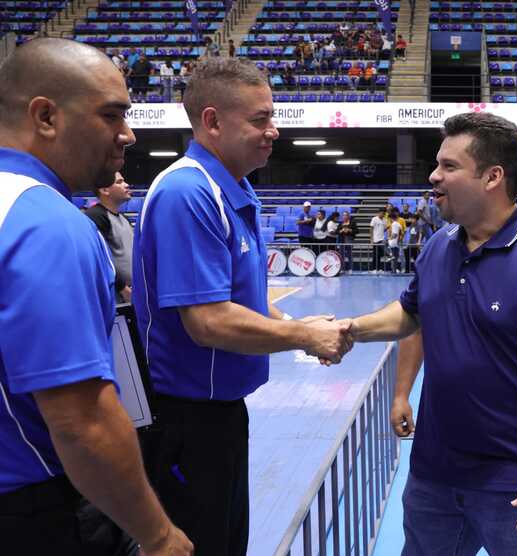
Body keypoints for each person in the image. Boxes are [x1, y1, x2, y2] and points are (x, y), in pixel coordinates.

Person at [348, 112, 517, 555]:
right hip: (434, 476)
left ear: (492, 177)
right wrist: (350, 329)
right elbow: (410, 313)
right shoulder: (438, 246)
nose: (434, 175)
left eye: (449, 166)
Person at [131, 57, 353, 556]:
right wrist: (303, 336)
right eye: (260, 119)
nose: (274, 130)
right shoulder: (188, 192)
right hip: (185, 420)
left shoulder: (234, 188)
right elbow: (208, 321)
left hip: (221, 413)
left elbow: (241, 300)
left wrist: (299, 326)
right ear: (212, 121)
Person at [0, 38, 192, 555]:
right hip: (36, 510)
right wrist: (158, 534)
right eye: (112, 115)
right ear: (45, 117)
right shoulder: (47, 225)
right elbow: (81, 422)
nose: (128, 134)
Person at [86, 171, 135, 303]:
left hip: (131, 291)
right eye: (119, 182)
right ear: (104, 190)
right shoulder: (95, 216)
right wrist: (122, 287)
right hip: (116, 294)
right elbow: (100, 257)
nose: (126, 185)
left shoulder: (124, 218)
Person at [370, 206, 386, 271]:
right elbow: (371, 229)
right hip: (375, 239)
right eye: (382, 213)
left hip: (382, 240)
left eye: (384, 213)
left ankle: (378, 268)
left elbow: (384, 229)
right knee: (375, 255)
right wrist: (371, 239)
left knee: (379, 255)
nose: (383, 214)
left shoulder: (384, 220)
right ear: (379, 212)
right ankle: (373, 269)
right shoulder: (374, 219)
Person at [387, 208, 402, 273]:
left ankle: (390, 255)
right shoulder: (398, 224)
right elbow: (400, 233)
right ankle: (394, 270)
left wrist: (389, 239)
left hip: (393, 243)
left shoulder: (394, 224)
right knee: (395, 258)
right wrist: (398, 240)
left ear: (391, 218)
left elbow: (395, 234)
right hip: (396, 243)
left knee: (384, 243)